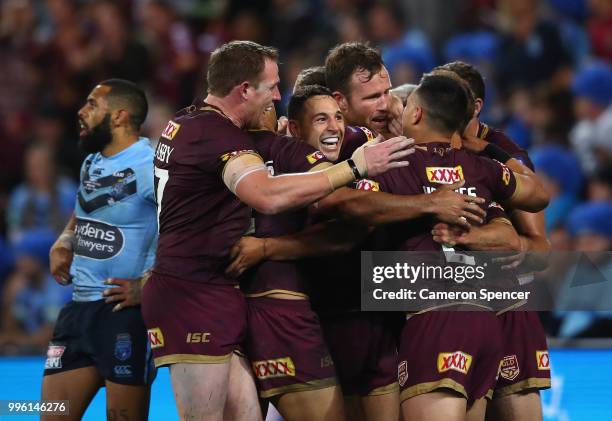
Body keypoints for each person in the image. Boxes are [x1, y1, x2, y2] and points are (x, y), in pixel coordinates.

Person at [140, 40, 412, 421]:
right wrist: (354, 169)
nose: (278, 96)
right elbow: (266, 195)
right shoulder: (221, 137)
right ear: (245, 90)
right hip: (193, 295)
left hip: (212, 291)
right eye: (271, 88)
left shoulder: (188, 120)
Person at [435, 61, 552, 421]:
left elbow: (539, 248)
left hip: (505, 306)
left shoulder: (504, 155)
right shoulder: (429, 147)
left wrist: (504, 245)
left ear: (476, 106)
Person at [43, 79, 156, 421]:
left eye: (92, 104)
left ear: (120, 116)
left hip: (123, 314)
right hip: (78, 310)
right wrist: (64, 241)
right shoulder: (91, 161)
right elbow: (82, 209)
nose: (81, 111)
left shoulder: (153, 164)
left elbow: (187, 229)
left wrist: (151, 282)